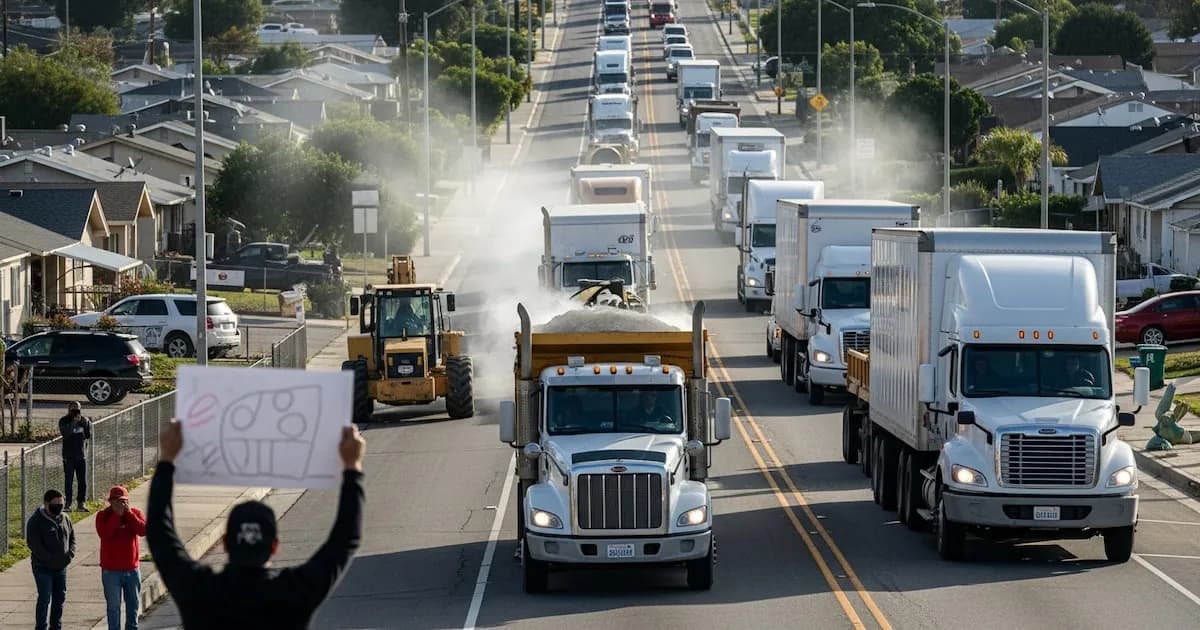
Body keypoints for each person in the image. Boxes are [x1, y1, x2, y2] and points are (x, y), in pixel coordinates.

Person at [146, 420, 365, 629]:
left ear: (225, 543)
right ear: (275, 546)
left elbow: (159, 532)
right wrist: (352, 466)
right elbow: (346, 539)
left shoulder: (199, 591)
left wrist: (167, 460)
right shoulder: (294, 592)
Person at [96, 485, 146, 630]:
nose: (120, 504)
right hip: (111, 571)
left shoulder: (135, 513)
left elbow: (142, 530)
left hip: (132, 569)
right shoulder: (103, 516)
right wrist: (116, 516)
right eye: (116, 501)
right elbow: (105, 534)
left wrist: (129, 514)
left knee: (133, 605)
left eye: (123, 501)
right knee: (113, 606)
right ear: (110, 502)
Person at [26, 489, 75, 630]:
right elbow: (34, 545)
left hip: (62, 568)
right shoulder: (36, 521)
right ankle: (41, 626)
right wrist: (51, 560)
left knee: (60, 598)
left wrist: (70, 554)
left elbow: (72, 538)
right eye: (56, 504)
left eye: (61, 503)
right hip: (43, 568)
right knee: (45, 598)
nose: (59, 507)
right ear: (46, 504)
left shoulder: (65, 518)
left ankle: (56, 626)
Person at [59, 401, 91, 512]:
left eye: (77, 409)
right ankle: (68, 503)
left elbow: (87, 435)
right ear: (68, 410)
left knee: (82, 481)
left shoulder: (84, 420)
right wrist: (73, 423)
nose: (75, 411)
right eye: (73, 409)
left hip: (81, 456)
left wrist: (86, 423)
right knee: (69, 480)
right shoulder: (64, 421)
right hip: (68, 456)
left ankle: (81, 503)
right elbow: (65, 434)